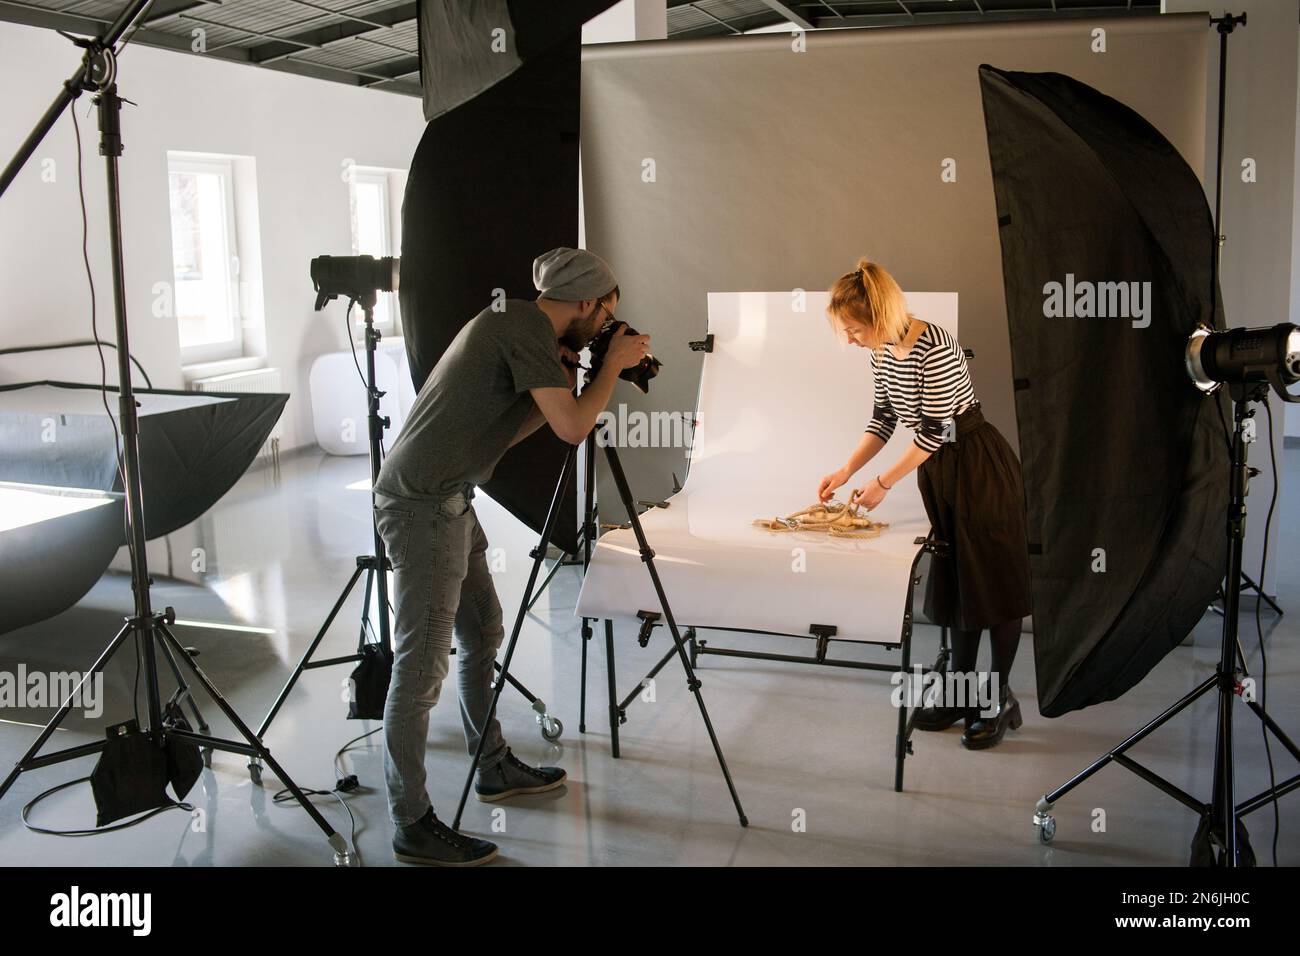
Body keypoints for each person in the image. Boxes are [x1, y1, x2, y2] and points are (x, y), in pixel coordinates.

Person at [373, 247, 649, 865]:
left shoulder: (518, 325)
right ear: (586, 302)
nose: (605, 322)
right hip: (422, 507)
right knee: (419, 671)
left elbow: (524, 424)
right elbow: (576, 428)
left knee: (483, 632)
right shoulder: (521, 325)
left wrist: (576, 373)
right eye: (605, 312)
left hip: (448, 499)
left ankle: (491, 764)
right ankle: (410, 822)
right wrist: (612, 366)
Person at [817, 257, 1031, 752]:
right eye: (845, 331)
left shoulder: (932, 346)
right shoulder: (882, 350)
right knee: (958, 581)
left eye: (853, 329)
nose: (849, 340)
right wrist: (846, 470)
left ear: (879, 315)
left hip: (978, 465)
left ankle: (997, 699)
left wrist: (883, 483)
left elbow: (937, 430)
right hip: (939, 471)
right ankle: (960, 694)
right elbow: (885, 418)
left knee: (994, 582)